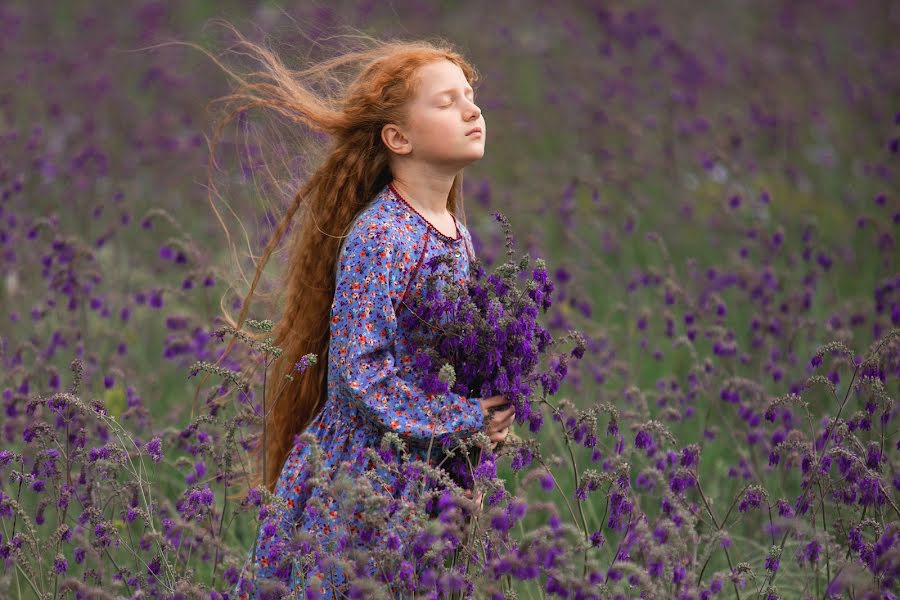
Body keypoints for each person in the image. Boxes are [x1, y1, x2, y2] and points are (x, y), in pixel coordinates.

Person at [212, 31, 516, 599]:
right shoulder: (382, 234)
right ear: (397, 137)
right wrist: (463, 419)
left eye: (471, 96)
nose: (472, 109)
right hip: (362, 482)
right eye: (447, 102)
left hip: (423, 467)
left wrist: (487, 420)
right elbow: (360, 372)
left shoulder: (457, 235)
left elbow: (452, 360)